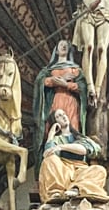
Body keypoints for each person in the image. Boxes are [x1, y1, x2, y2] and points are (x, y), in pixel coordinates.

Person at [31, 38, 88, 171]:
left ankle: (74, 167)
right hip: (55, 102)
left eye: (65, 45)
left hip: (71, 103)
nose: (63, 47)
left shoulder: (75, 70)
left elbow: (83, 87)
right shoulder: (48, 69)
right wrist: (53, 81)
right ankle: (52, 166)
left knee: (72, 130)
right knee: (53, 129)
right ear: (56, 50)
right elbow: (40, 83)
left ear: (69, 50)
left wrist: (66, 84)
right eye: (60, 45)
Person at [38, 107, 108, 204]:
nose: (63, 117)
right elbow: (47, 154)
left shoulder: (80, 137)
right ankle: (56, 193)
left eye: (64, 114)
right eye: (58, 116)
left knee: (100, 170)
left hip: (80, 171)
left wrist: (62, 147)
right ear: (55, 121)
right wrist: (51, 134)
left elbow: (84, 150)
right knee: (49, 161)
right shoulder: (56, 139)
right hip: (63, 172)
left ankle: (77, 189)